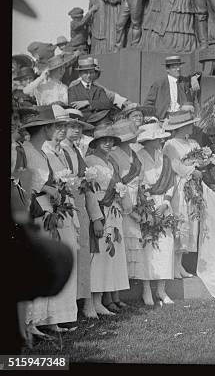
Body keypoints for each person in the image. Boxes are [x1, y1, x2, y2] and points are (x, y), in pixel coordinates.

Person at [21, 105, 79, 336]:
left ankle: (47, 318)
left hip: (48, 209)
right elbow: (22, 179)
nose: (56, 129)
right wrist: (45, 187)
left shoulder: (42, 152)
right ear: (44, 128)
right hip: (34, 209)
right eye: (53, 126)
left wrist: (56, 192)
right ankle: (29, 322)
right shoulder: (25, 150)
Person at [41, 112, 81, 330]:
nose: (62, 130)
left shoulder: (64, 151)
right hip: (53, 211)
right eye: (58, 126)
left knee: (69, 260)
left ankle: (64, 315)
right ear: (48, 128)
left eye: (65, 126)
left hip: (67, 210)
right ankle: (51, 319)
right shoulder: (45, 151)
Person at [85, 124, 130, 316]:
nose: (108, 143)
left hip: (114, 211)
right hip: (101, 210)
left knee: (111, 254)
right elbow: (90, 191)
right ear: (95, 143)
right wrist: (96, 217)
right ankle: (94, 302)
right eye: (104, 140)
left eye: (111, 140)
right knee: (99, 256)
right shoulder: (89, 161)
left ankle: (106, 298)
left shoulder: (111, 163)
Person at [60, 113, 100, 319]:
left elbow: (88, 186)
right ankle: (66, 308)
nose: (76, 130)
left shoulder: (77, 151)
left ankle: (86, 303)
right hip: (65, 205)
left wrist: (96, 217)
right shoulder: (56, 149)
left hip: (80, 207)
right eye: (71, 126)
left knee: (83, 253)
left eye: (78, 127)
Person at [136, 122, 177, 304]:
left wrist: (166, 203)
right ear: (147, 141)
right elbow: (137, 184)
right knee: (147, 248)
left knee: (165, 246)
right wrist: (148, 207)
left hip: (164, 205)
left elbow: (171, 182)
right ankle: (146, 290)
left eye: (161, 138)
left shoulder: (165, 158)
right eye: (156, 138)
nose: (160, 140)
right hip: (146, 204)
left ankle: (161, 290)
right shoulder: (138, 157)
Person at [162, 110, 202, 279]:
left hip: (193, 186)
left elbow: (200, 160)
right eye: (190, 124)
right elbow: (175, 166)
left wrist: (200, 165)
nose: (192, 127)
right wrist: (193, 170)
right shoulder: (170, 144)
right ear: (182, 126)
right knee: (180, 221)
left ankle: (180, 265)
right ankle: (173, 266)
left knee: (190, 222)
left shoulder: (193, 143)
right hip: (179, 185)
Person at [109, 119, 144, 284]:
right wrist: (130, 208)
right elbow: (117, 183)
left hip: (135, 197)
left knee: (132, 242)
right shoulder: (114, 155)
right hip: (122, 202)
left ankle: (127, 284)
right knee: (122, 242)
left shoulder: (133, 153)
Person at [144, 55, 193, 120]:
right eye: (174, 67)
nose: (178, 69)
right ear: (167, 69)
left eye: (178, 66)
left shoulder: (184, 82)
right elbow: (148, 103)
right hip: (164, 118)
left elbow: (197, 76)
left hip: (182, 116)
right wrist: (151, 117)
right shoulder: (159, 84)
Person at [67, 57, 114, 123]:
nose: (89, 75)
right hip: (82, 122)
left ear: (94, 73)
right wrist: (98, 104)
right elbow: (73, 108)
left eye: (91, 72)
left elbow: (107, 104)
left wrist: (87, 102)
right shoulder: (73, 90)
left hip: (100, 120)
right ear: (80, 74)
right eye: (86, 73)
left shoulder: (99, 89)